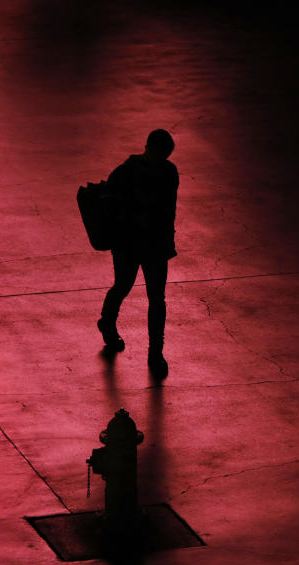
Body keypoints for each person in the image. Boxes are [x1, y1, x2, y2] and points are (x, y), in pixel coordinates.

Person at [97, 129, 178, 378]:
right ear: (152, 149)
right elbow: (166, 210)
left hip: (134, 243)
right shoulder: (165, 171)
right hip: (144, 244)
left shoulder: (129, 171)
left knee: (132, 289)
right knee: (145, 294)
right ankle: (154, 352)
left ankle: (111, 324)